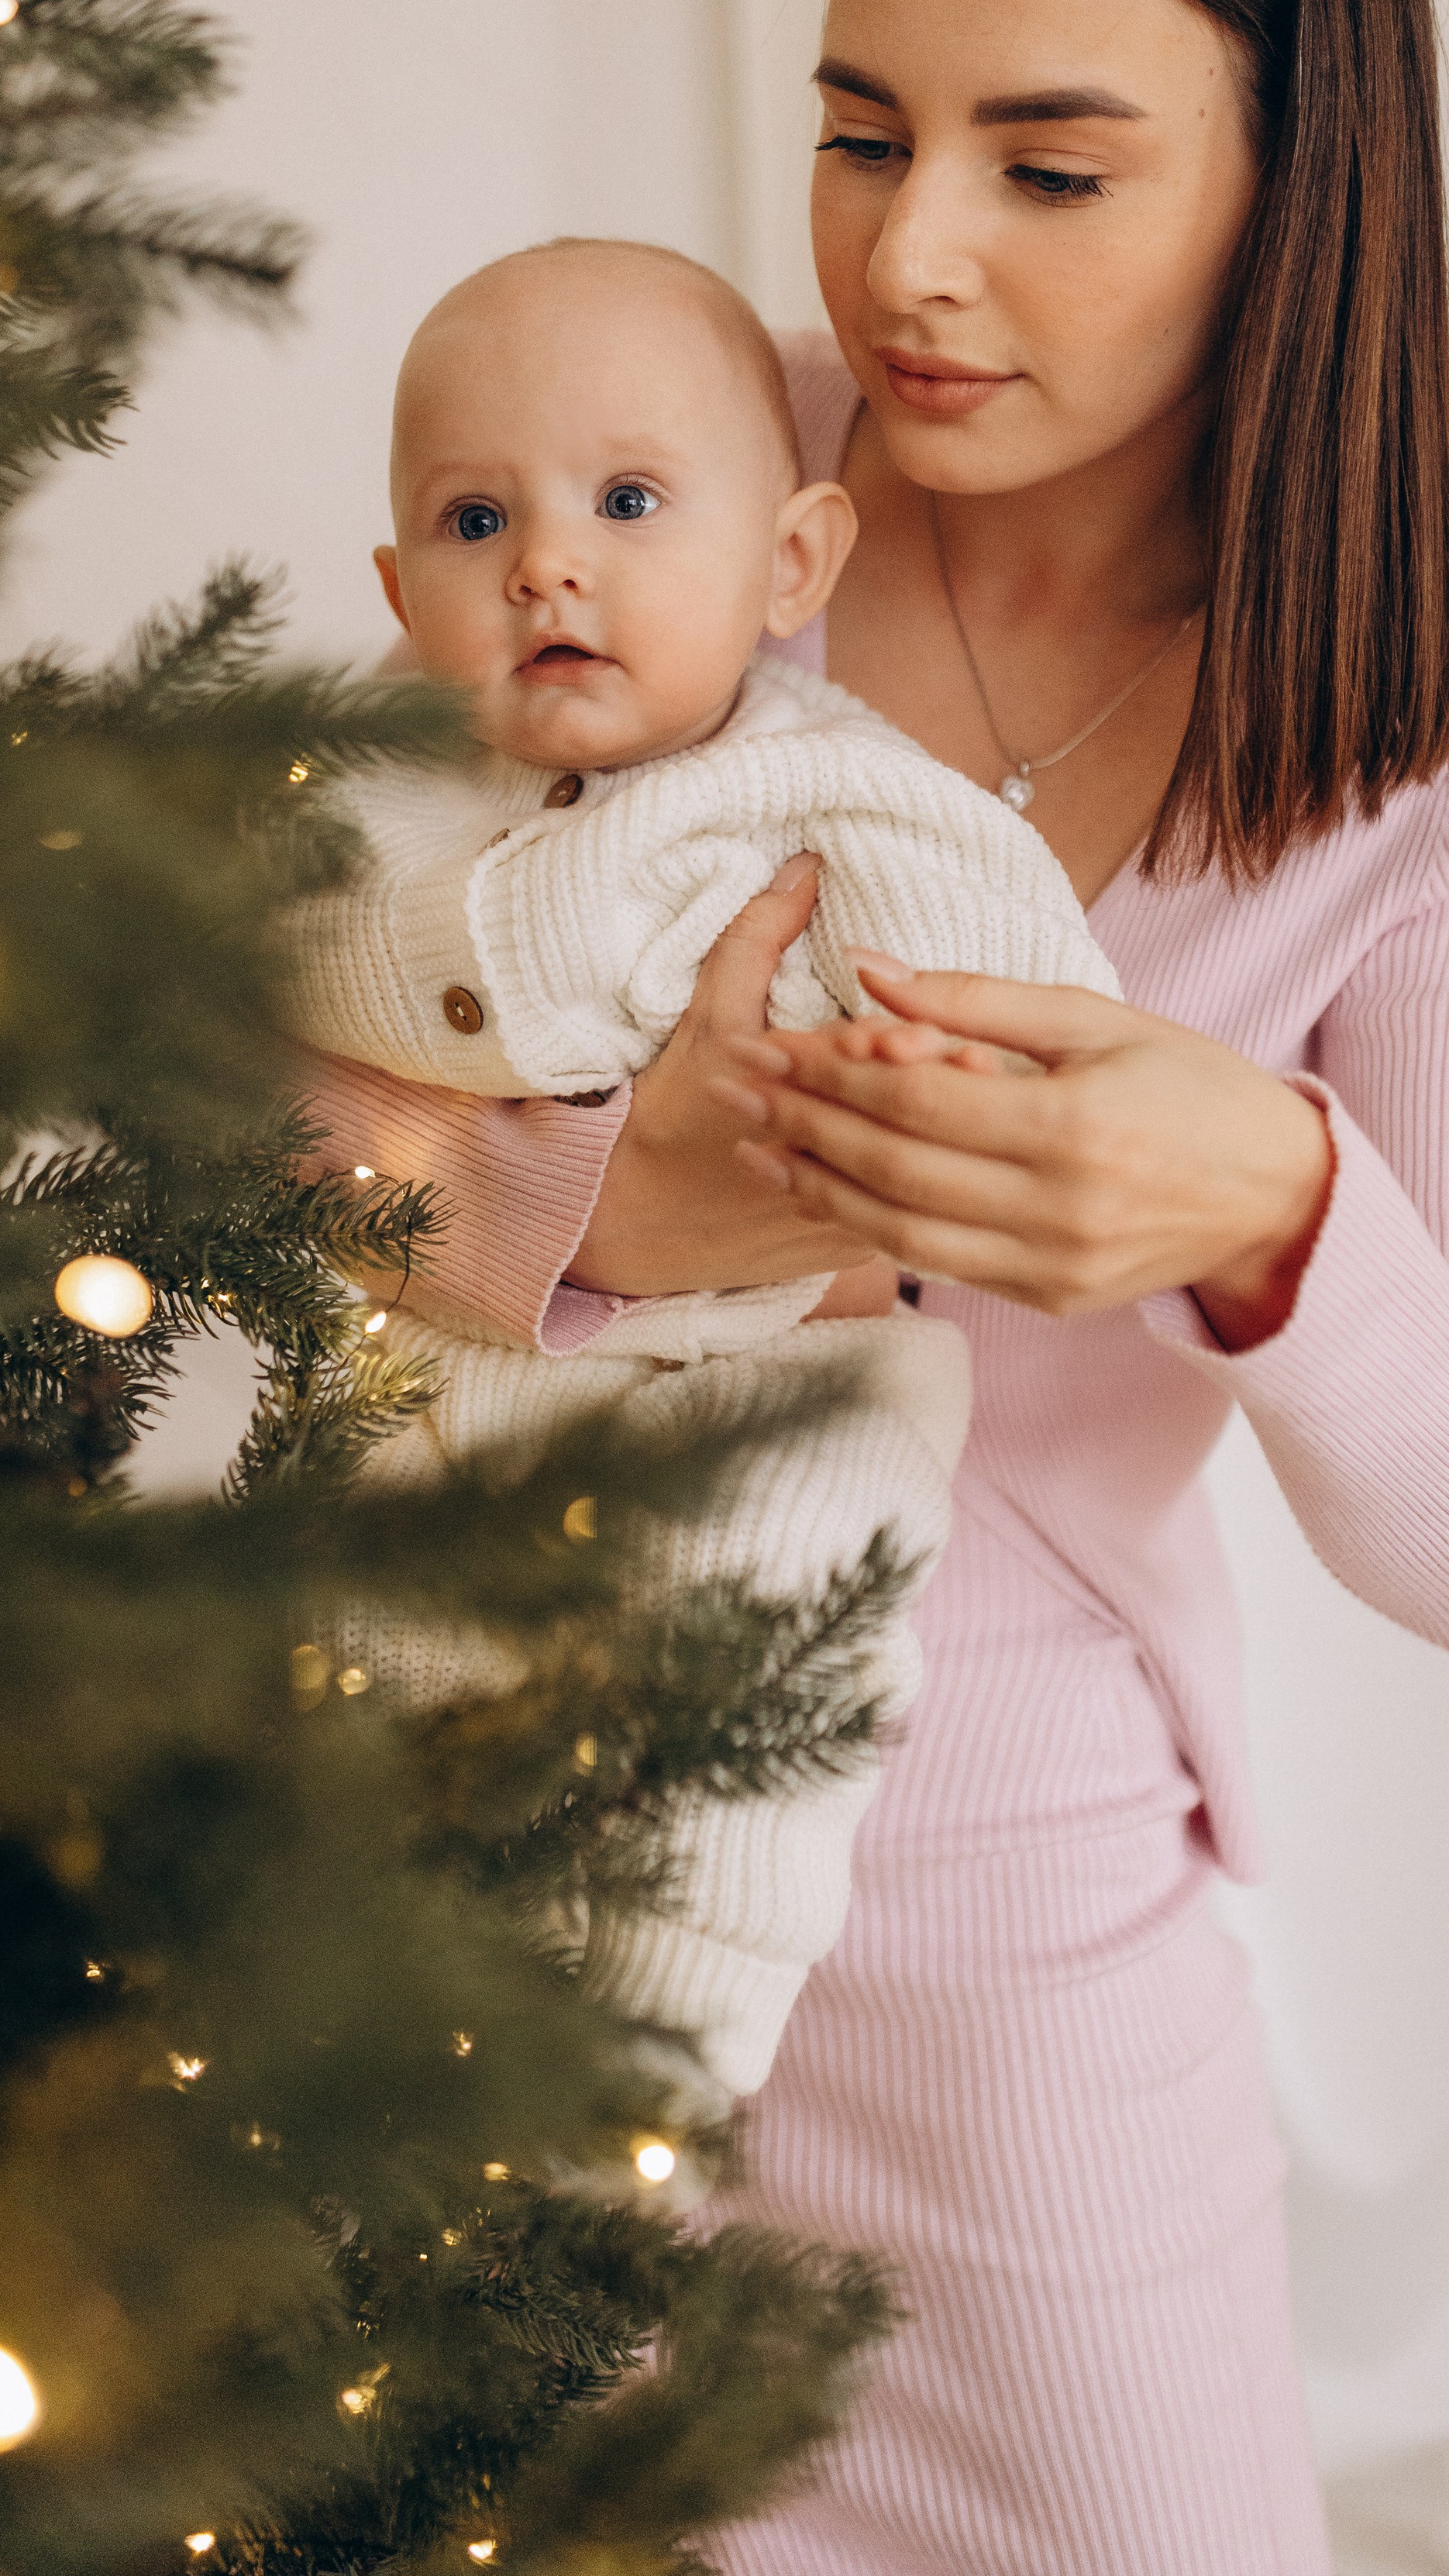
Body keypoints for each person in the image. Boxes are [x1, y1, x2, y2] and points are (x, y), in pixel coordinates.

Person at [305, 0, 1449, 2576]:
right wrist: (599, 1203)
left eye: (1048, 168)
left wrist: (1278, 1215)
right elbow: (214, 1116)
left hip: (1009, 1894)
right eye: (856, 127)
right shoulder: (659, 466)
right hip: (489, 1796)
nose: (910, 266)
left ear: (1305, 171)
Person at [282, 234, 1120, 2105]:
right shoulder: (383, 801)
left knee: (762, 1665)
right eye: (475, 517)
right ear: (404, 595)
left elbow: (1044, 1001)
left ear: (789, 564)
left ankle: (658, 2076)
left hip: (781, 1373)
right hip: (467, 1371)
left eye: (629, 501)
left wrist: (916, 1068)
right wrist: (542, 1041)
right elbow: (287, 977)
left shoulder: (835, 791)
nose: (547, 563)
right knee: (387, 1663)